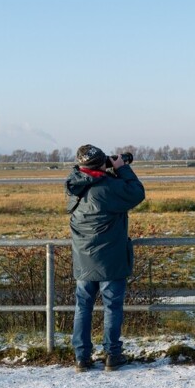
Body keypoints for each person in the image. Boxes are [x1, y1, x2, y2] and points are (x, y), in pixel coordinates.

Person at [65, 144, 146, 372]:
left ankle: (81, 357)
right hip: (110, 260)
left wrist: (104, 167)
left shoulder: (73, 187)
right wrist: (121, 167)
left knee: (83, 307)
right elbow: (137, 192)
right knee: (112, 307)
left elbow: (87, 176)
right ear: (101, 164)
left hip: (83, 259)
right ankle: (112, 354)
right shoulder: (109, 188)